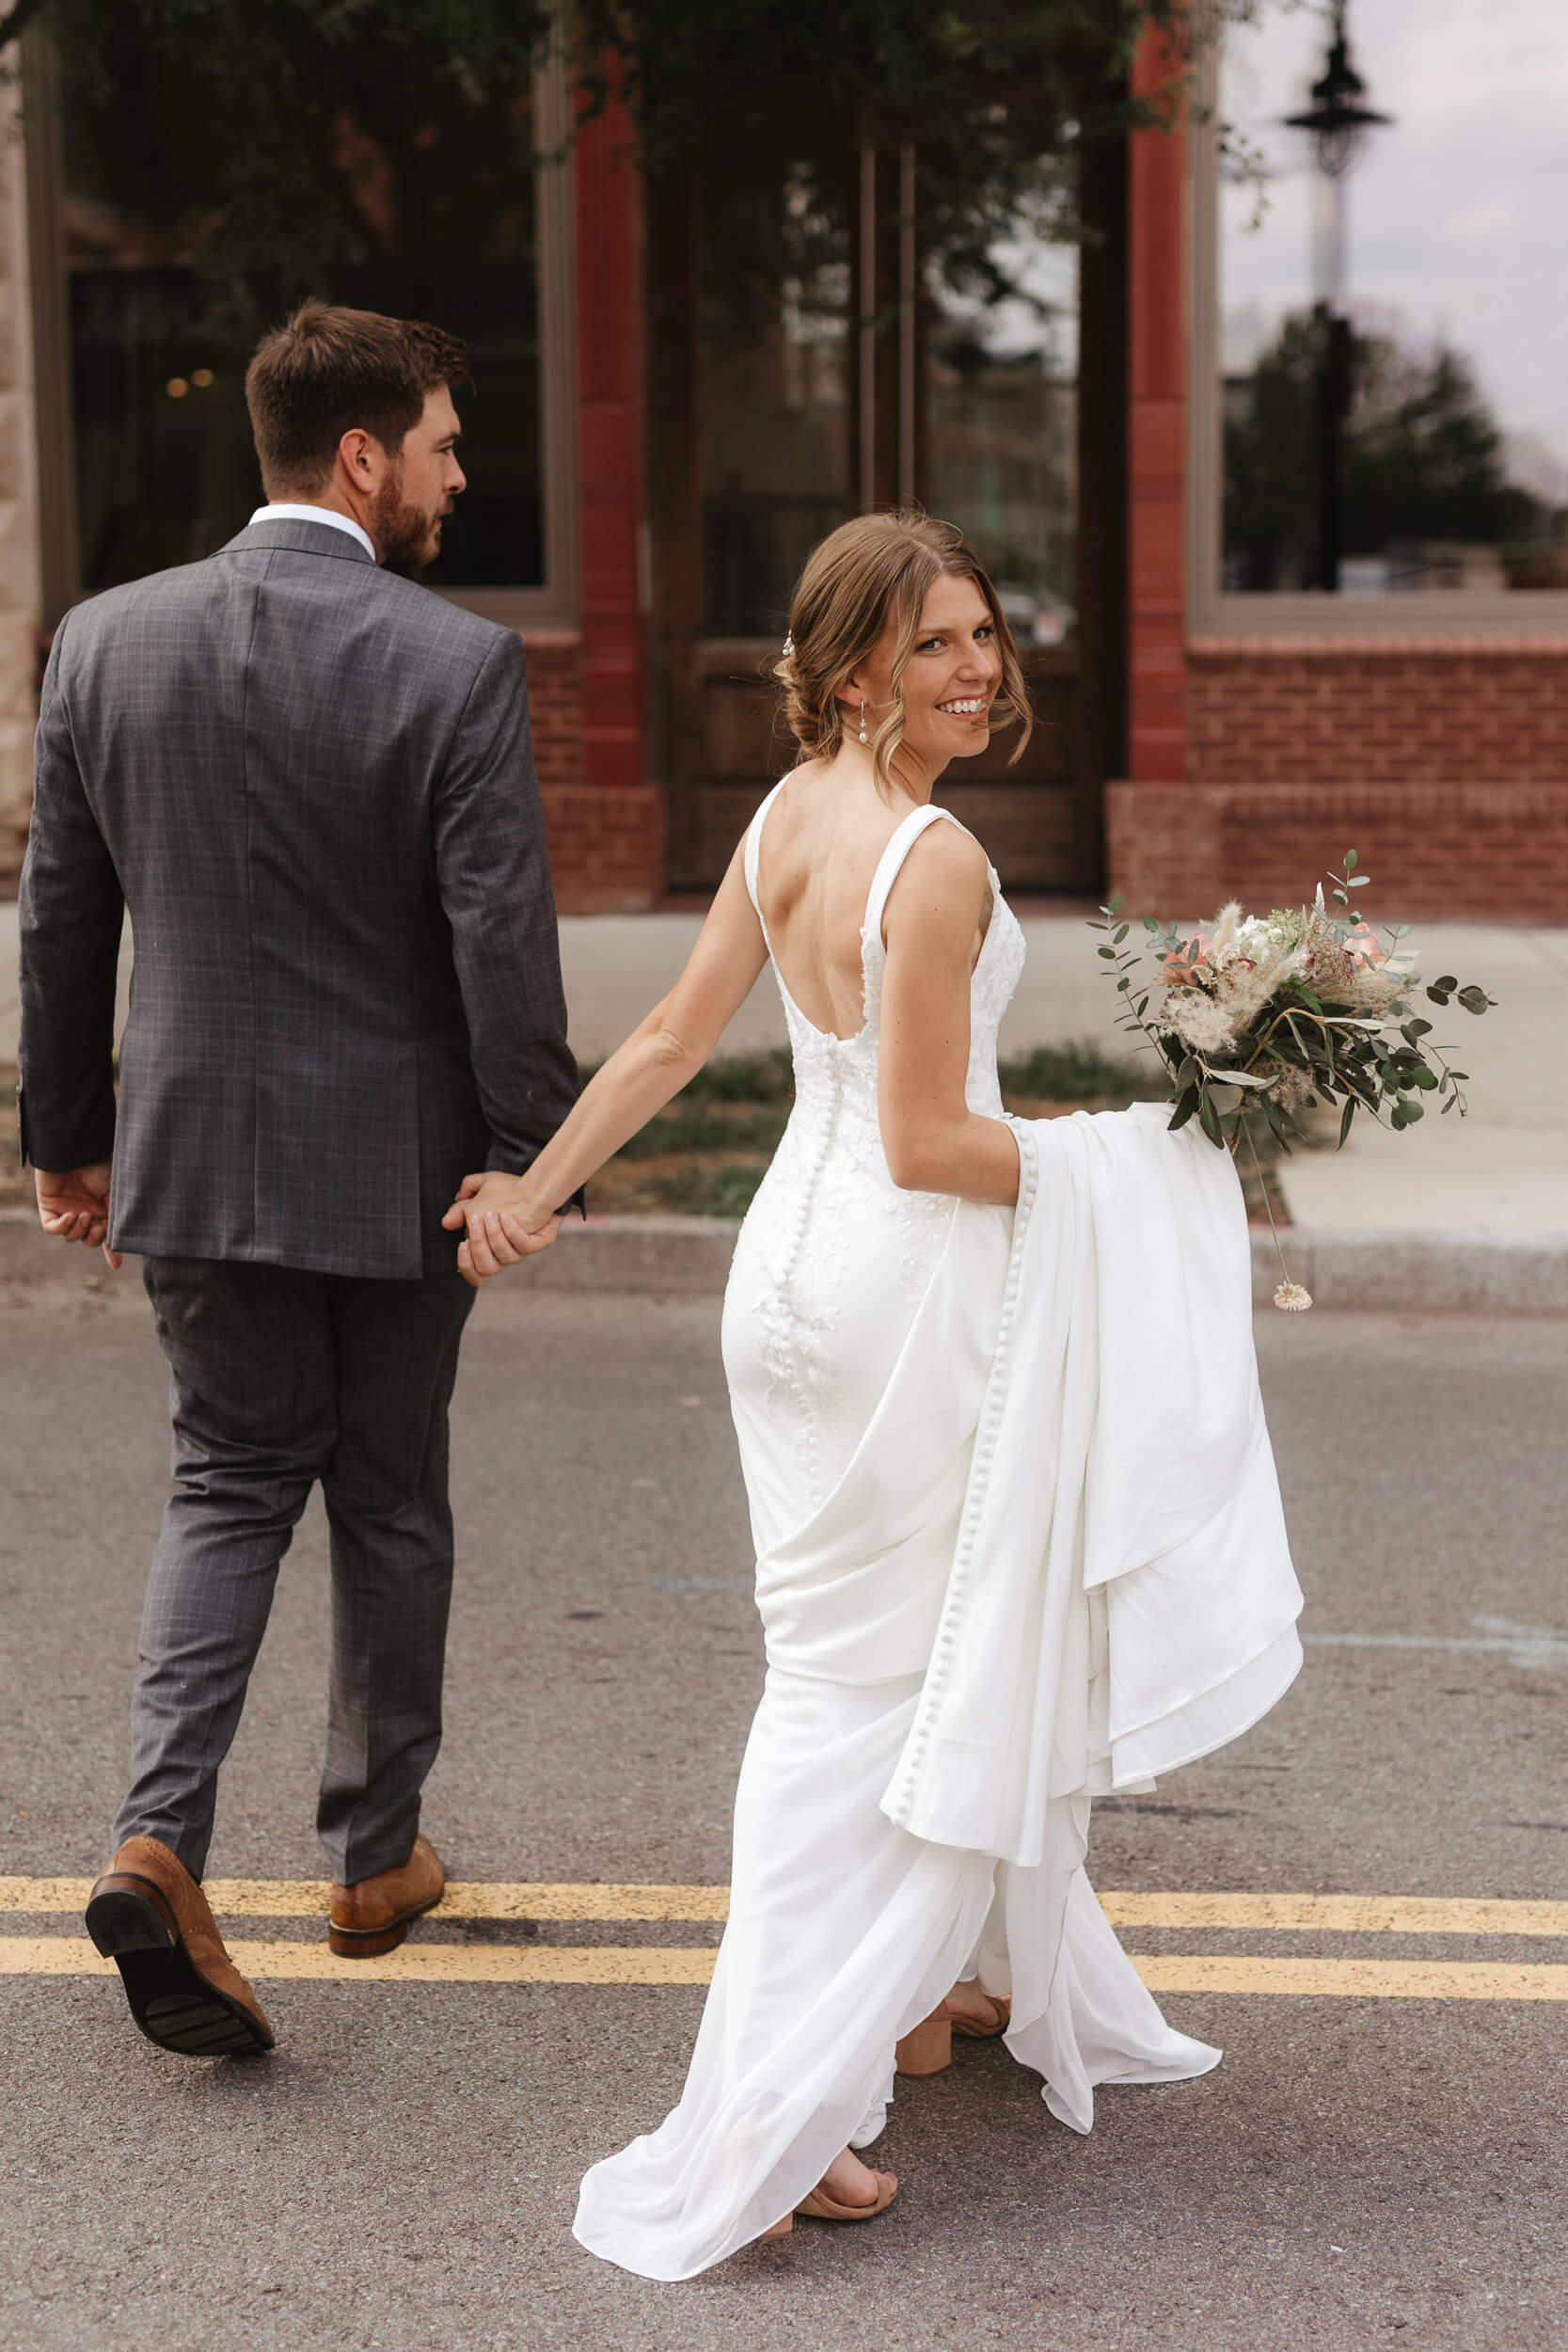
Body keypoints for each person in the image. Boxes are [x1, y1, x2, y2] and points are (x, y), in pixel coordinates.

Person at [449, 511, 1303, 2277]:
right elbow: (929, 1145)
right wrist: (1138, 1159)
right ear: (853, 671)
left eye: (989, 636)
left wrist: (539, 1184)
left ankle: (932, 1993)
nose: (981, 669)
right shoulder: (937, 864)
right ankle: (790, 2105)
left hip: (787, 1289)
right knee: (872, 1697)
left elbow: (677, 1042)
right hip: (905, 1300)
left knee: (855, 1669)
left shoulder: (783, 819)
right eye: (939, 645)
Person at [18, 301, 578, 2058]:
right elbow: (502, 940)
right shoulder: (456, 664)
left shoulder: (100, 644)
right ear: (361, 458)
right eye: (441, 446)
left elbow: (62, 914)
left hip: (191, 1150)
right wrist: (526, 1150)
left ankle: (156, 1835)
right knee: (391, 1495)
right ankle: (371, 1860)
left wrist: (66, 1138)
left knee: (226, 1483)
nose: (456, 477)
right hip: (399, 1174)